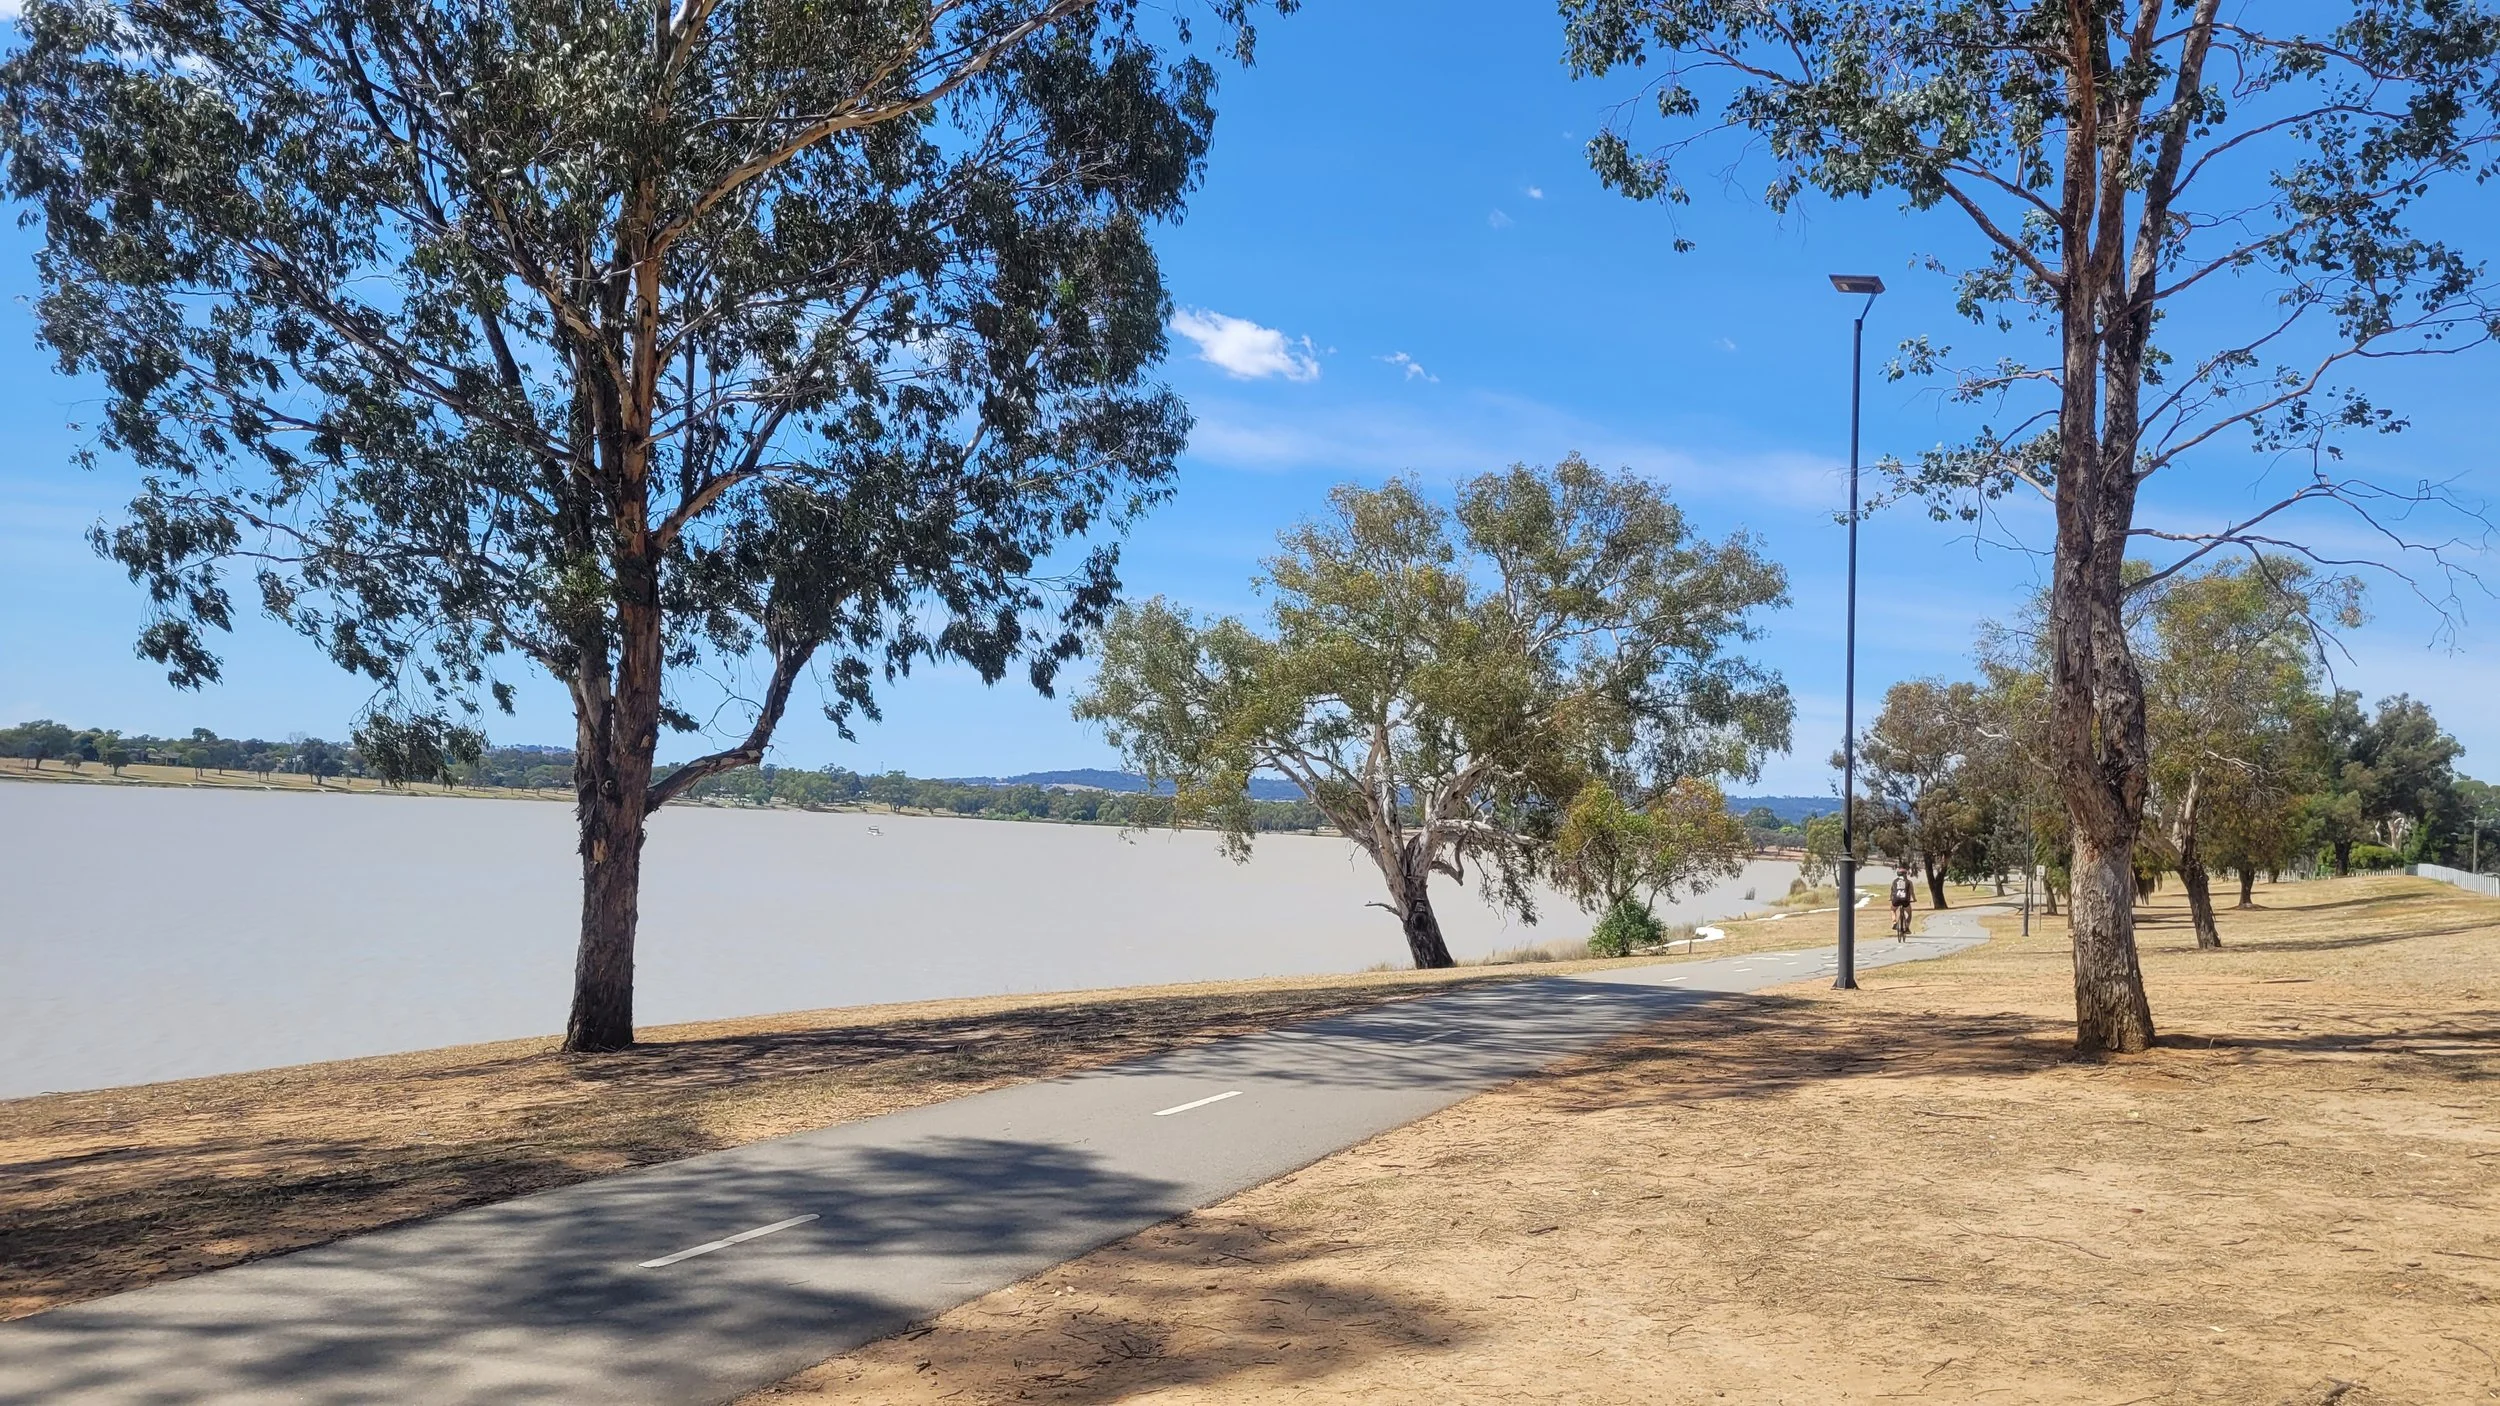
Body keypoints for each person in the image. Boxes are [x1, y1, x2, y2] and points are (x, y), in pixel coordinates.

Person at [1889, 866, 1915, 939]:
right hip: (1905, 900)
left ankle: (1894, 922)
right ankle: (1906, 927)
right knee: (1909, 914)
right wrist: (1914, 899)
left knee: (1893, 910)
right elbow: (1911, 892)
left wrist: (1890, 898)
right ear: (1905, 874)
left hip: (1896, 899)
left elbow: (1892, 891)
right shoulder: (1909, 882)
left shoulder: (1894, 881)